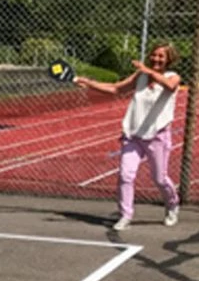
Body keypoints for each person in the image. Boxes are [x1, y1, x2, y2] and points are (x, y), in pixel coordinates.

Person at [75, 42, 181, 231]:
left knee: (160, 178)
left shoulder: (172, 76)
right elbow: (116, 89)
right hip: (133, 134)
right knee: (125, 175)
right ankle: (125, 215)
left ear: (168, 59)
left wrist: (148, 71)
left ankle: (172, 205)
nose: (156, 59)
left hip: (157, 135)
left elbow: (171, 86)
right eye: (154, 55)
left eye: (161, 56)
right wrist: (89, 83)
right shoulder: (141, 76)